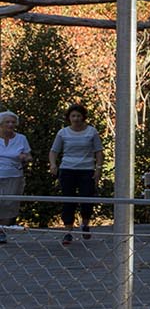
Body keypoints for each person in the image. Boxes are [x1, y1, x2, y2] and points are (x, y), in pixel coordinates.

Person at [51, 103, 104, 245]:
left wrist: (98, 169)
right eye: (73, 116)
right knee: (68, 199)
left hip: (86, 169)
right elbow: (54, 150)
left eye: (78, 116)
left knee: (87, 197)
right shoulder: (63, 133)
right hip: (67, 168)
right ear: (69, 118)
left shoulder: (91, 132)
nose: (76, 119)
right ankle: (68, 231)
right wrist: (53, 164)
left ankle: (85, 224)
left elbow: (98, 151)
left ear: (83, 117)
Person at [0, 111, 29, 245]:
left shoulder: (21, 138)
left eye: (13, 122)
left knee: (9, 205)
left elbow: (29, 156)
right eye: (7, 122)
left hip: (14, 175)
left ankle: (2, 232)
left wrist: (25, 158)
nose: (10, 124)